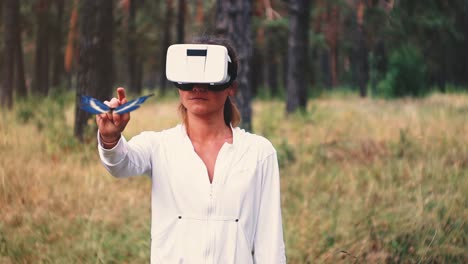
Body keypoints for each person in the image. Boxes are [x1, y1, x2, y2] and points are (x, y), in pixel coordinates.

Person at [96, 36, 286, 263]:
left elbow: (270, 243)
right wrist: (110, 137)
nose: (197, 87)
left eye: (208, 80)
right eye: (188, 79)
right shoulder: (159, 146)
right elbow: (121, 164)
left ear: (231, 87)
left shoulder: (259, 153)